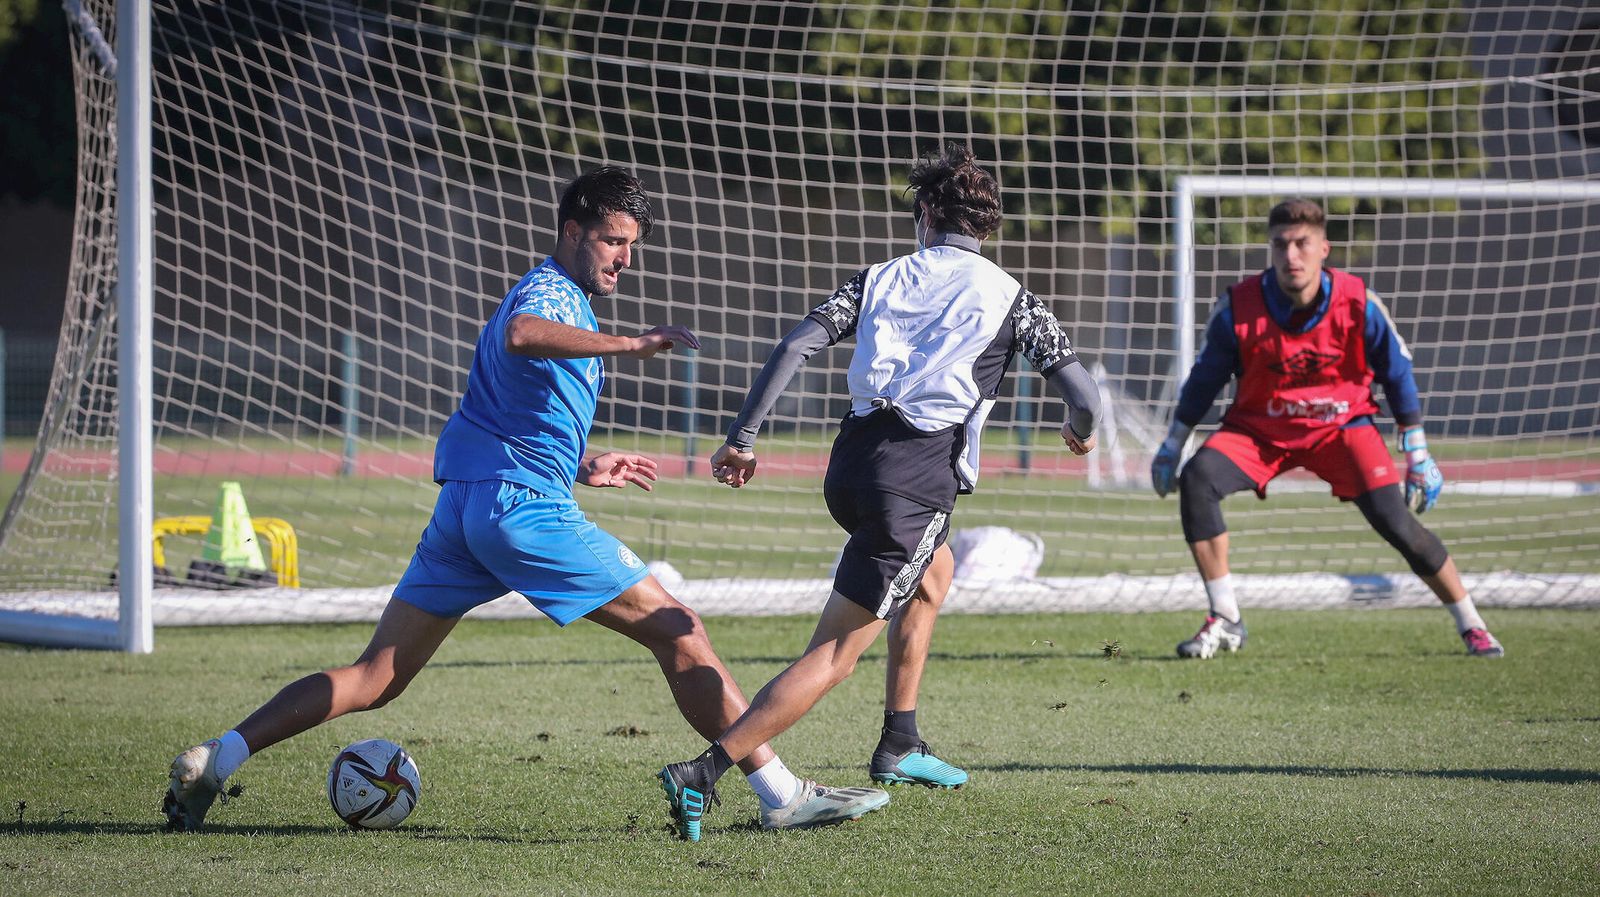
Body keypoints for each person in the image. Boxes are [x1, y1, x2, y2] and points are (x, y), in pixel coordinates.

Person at [163, 166, 887, 834]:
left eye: (631, 245)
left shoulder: (554, 293)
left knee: (375, 676)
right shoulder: (549, 294)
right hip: (520, 512)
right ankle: (782, 795)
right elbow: (523, 335)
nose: (622, 258)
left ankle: (218, 757)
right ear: (572, 231)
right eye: (611, 239)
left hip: (468, 509)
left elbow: (509, 408)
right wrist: (631, 345)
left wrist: (580, 463)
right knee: (679, 626)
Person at [657, 143, 1102, 841]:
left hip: (852, 462)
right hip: (916, 480)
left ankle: (901, 739)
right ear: (986, 229)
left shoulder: (879, 277)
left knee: (935, 572)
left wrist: (743, 436)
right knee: (834, 653)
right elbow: (1082, 393)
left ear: (926, 213)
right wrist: (1081, 431)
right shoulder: (1014, 298)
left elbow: (796, 345)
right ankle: (704, 772)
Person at [1149, 198, 1504, 660]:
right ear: (1270, 249)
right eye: (1281, 245)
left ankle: (1472, 624)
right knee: (1199, 478)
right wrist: (1173, 442)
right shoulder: (1239, 306)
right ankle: (1226, 618)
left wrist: (1416, 449)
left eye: (1302, 244)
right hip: (1261, 431)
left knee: (1399, 525)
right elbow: (1204, 379)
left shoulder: (1358, 302)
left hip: (1341, 428)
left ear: (1323, 249)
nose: (1291, 255)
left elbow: (1396, 373)